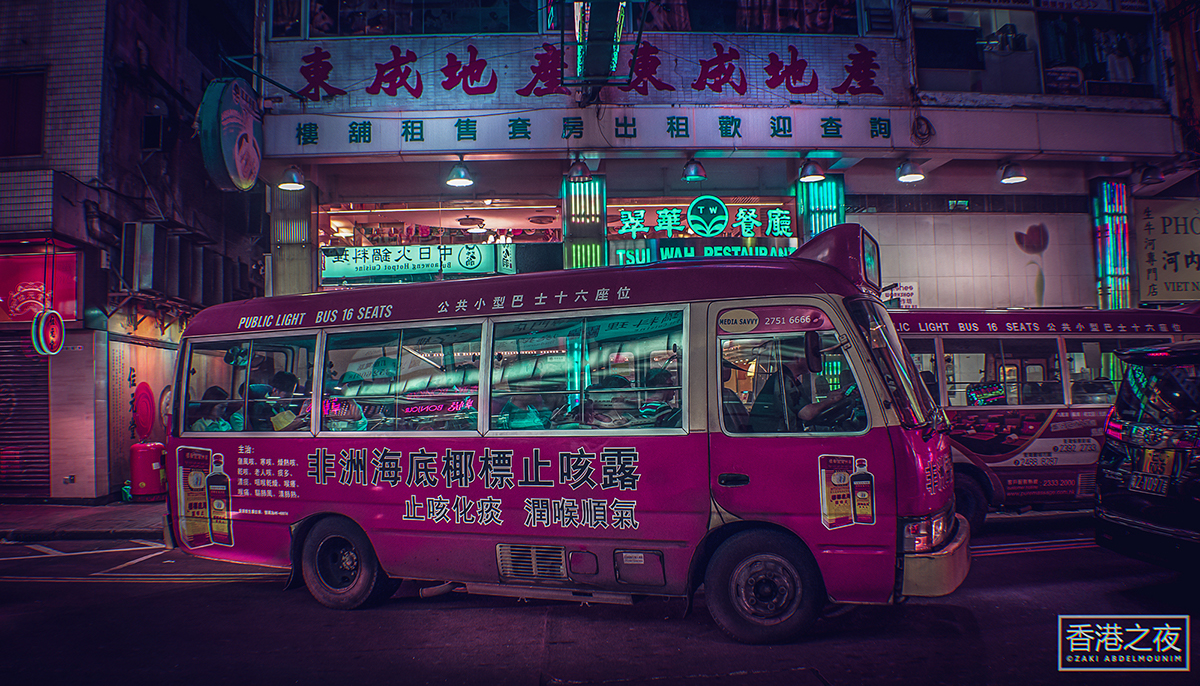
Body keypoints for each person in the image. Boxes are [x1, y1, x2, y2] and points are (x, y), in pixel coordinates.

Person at [749, 342, 845, 432]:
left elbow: (806, 408)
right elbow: (807, 413)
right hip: (773, 439)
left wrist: (831, 397)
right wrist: (832, 400)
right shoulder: (782, 381)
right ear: (797, 357)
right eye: (808, 357)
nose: (812, 361)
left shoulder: (792, 380)